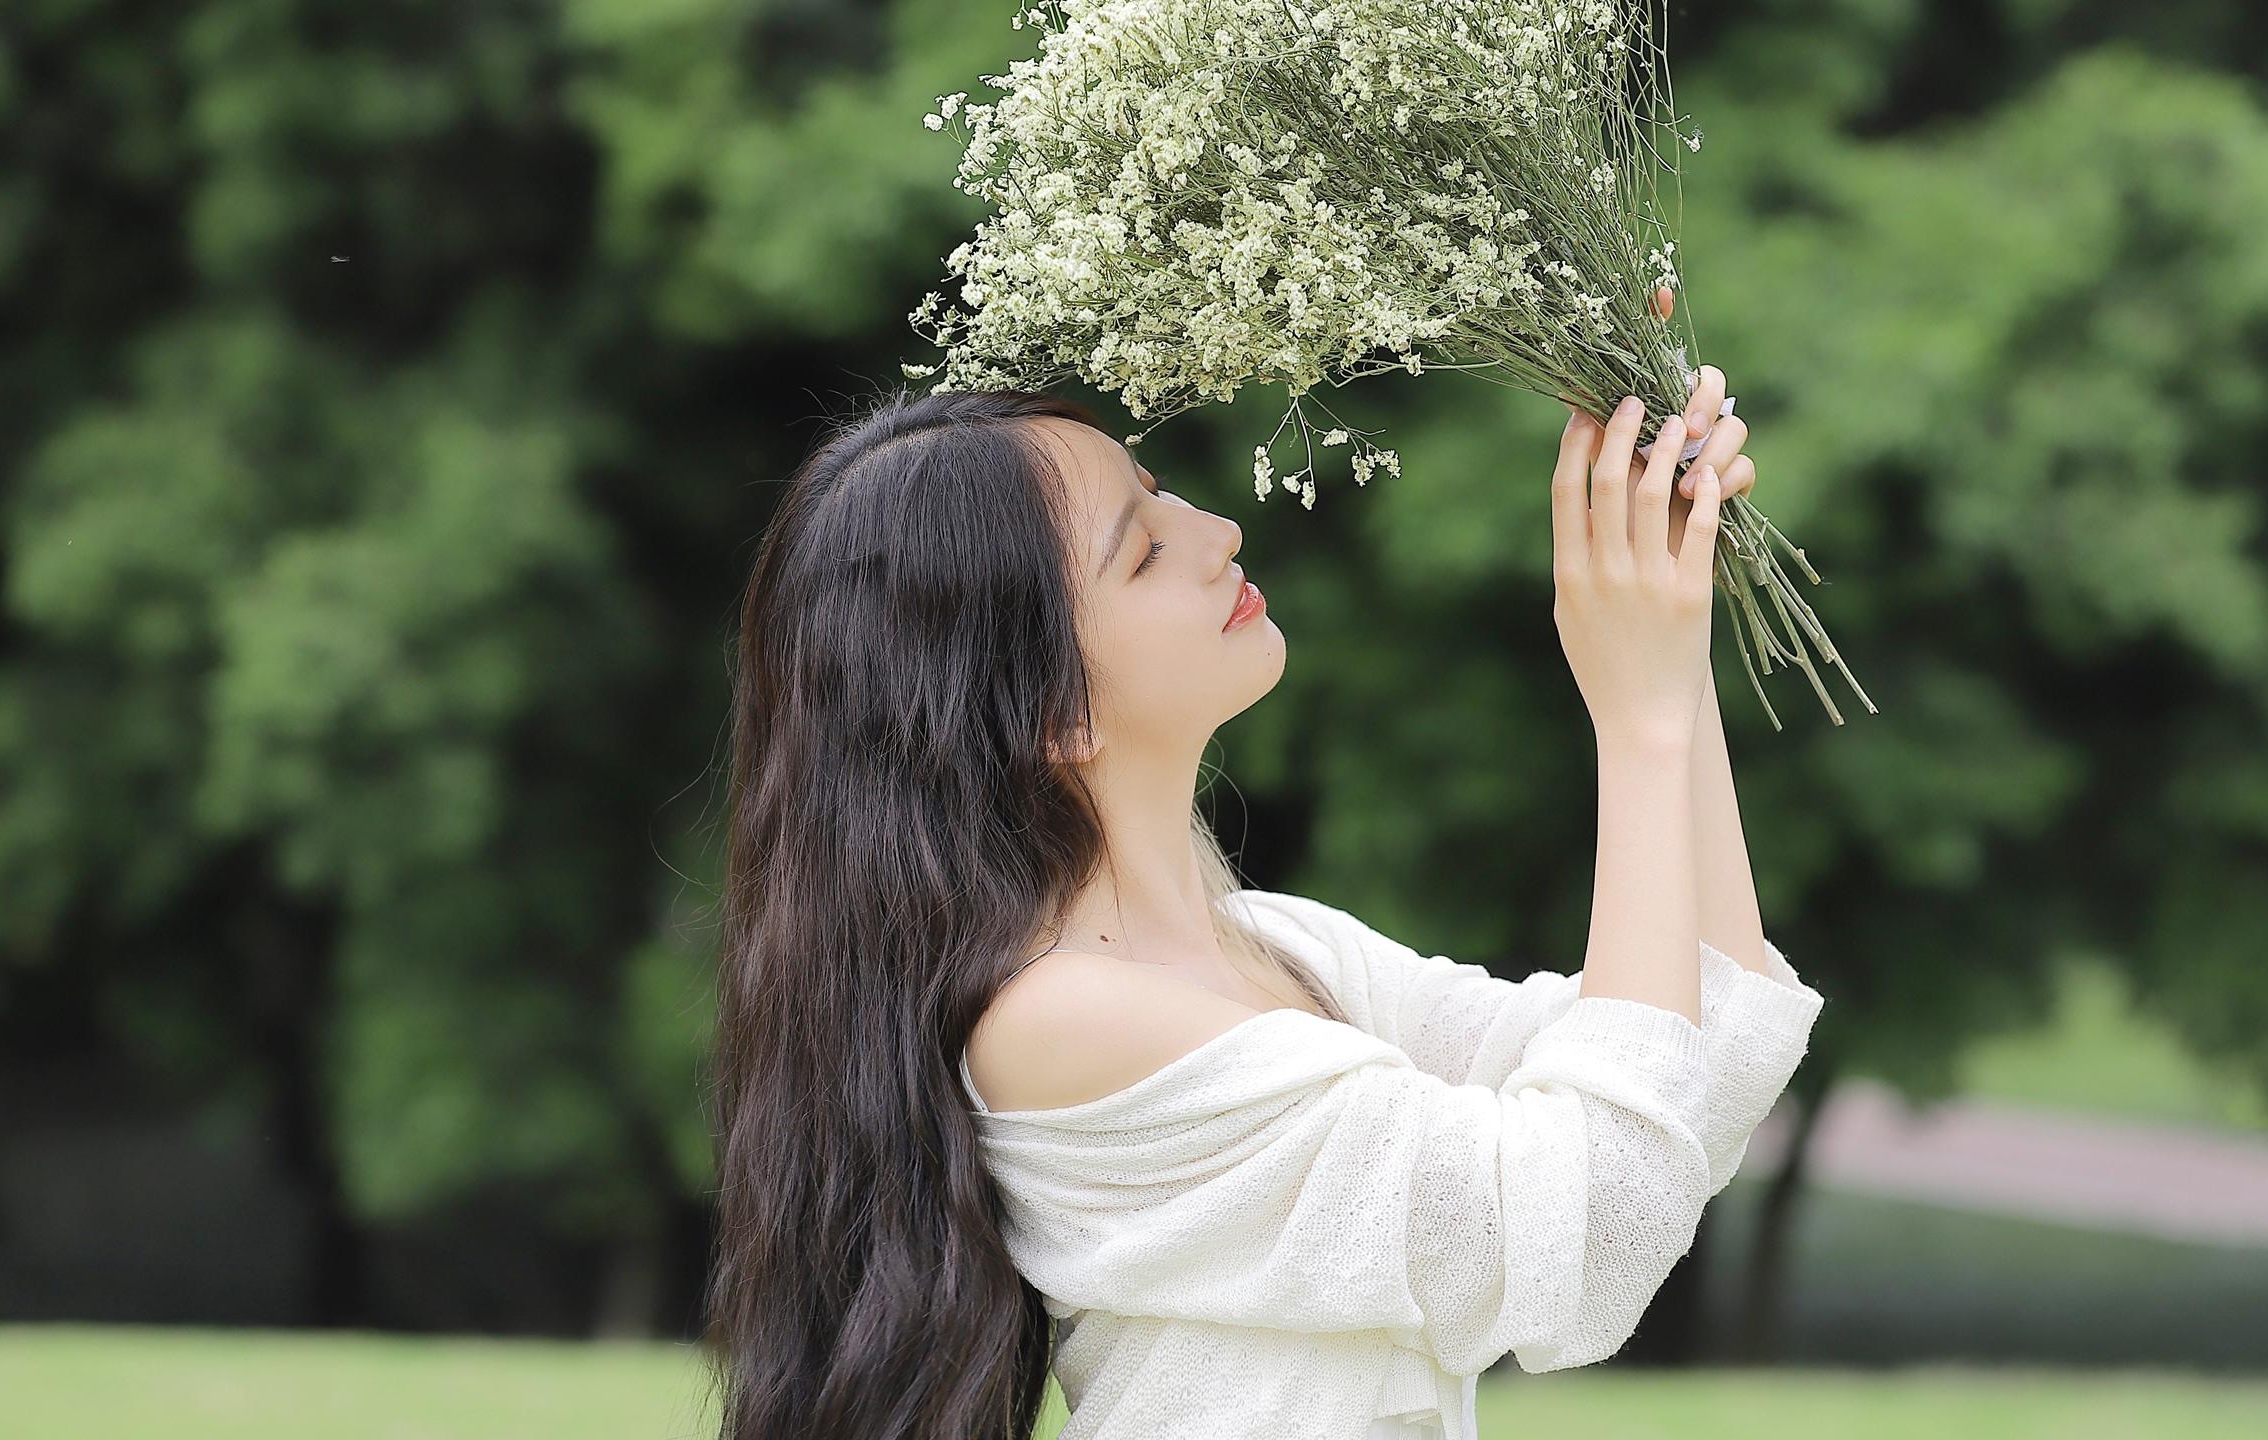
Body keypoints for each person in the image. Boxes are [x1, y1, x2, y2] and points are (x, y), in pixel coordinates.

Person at [700, 342, 1821, 1439]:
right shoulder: (1061, 1021)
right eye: (1138, 553)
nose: (1216, 531)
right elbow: (1586, 1233)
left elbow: (1691, 1059)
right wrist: (1635, 719)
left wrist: (1670, 655)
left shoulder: (1278, 952)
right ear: (1053, 714)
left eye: (1162, 492)